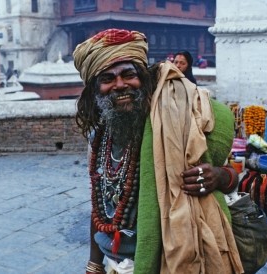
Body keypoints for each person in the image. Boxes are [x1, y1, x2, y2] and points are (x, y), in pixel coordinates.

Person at [73, 29, 243, 274]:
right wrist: (93, 263)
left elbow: (232, 176)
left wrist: (219, 176)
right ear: (95, 89)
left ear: (142, 78)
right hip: (112, 263)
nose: (120, 85)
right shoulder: (98, 137)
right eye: (107, 79)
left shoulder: (173, 124)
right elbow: (100, 204)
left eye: (128, 75)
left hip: (163, 262)